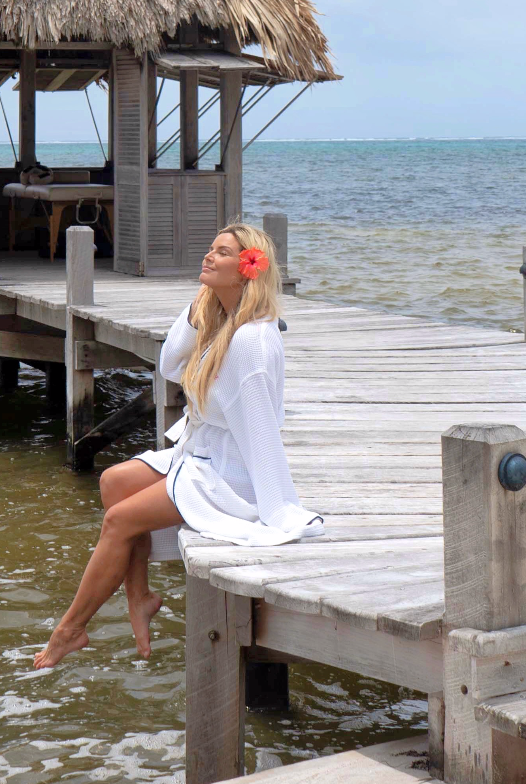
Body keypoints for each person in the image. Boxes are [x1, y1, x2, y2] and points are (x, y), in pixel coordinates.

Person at [32, 223, 323, 669]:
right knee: (113, 482)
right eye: (210, 248)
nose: (209, 256)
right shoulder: (220, 319)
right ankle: (140, 596)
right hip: (201, 450)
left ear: (248, 269)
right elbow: (169, 366)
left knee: (118, 520)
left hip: (229, 470)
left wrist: (274, 505)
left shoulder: (251, 341)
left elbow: (262, 429)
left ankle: (70, 629)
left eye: (222, 252)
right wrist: (198, 308)